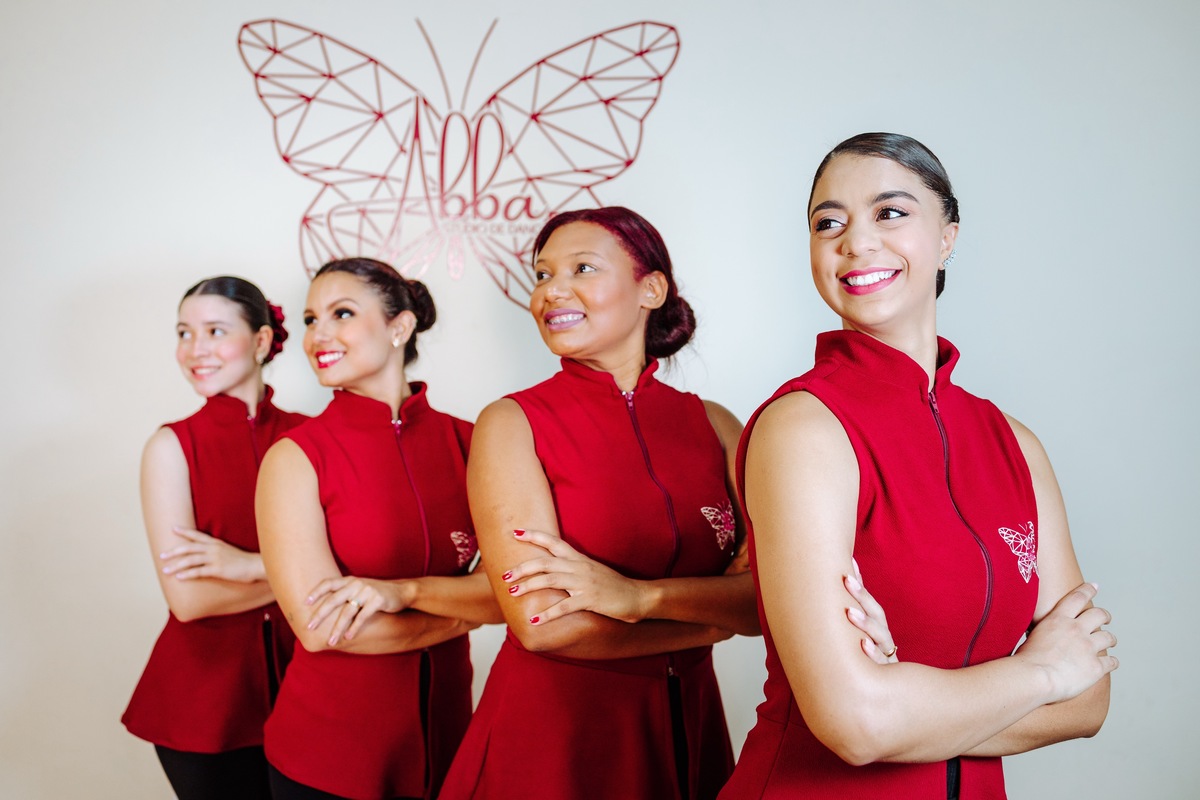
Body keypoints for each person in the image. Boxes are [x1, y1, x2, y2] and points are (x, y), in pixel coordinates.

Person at [719, 133, 1119, 799]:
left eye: (890, 212)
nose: (855, 242)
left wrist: (905, 698)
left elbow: (1090, 704)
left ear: (948, 236)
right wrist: (1043, 673)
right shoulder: (804, 427)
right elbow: (855, 725)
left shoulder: (1014, 444)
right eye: (828, 222)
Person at [439, 207, 757, 800]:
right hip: (552, 747)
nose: (551, 291)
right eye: (541, 274)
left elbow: (773, 602)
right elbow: (542, 627)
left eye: (582, 268)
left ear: (651, 288)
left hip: (691, 732)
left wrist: (637, 599)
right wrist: (717, 617)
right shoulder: (512, 423)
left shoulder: (717, 426)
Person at [255, 258, 499, 800]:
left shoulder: (474, 442)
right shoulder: (295, 457)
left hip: (454, 744)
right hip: (328, 761)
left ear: (400, 326)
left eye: (341, 313)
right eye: (311, 319)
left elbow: (515, 593)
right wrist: (467, 615)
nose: (319, 334)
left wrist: (403, 594)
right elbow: (321, 631)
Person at [123, 276, 306, 800]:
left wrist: (247, 566)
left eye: (214, 330)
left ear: (262, 341)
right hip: (205, 705)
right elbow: (189, 600)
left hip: (312, 690)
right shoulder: (171, 446)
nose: (194, 349)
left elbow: (358, 567)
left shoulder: (311, 436)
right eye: (184, 332)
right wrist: (304, 574)